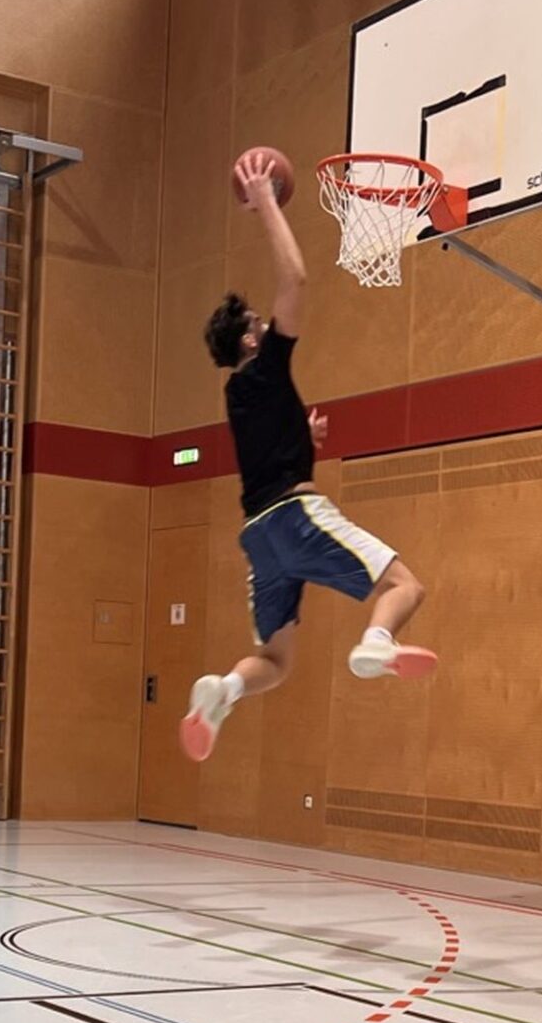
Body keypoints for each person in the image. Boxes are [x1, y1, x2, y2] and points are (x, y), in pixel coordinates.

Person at [181, 146, 436, 762]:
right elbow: (295, 279)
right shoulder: (265, 365)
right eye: (257, 322)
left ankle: (224, 690)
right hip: (294, 518)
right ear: (249, 337)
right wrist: (266, 200)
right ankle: (376, 641)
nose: (268, 325)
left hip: (259, 535)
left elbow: (267, 453)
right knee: (405, 586)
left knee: (275, 659)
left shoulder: (240, 393)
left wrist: (303, 439)